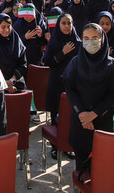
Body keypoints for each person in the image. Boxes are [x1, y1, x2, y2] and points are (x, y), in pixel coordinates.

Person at [63, 23, 114, 173]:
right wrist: (83, 114)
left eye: (95, 38)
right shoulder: (76, 62)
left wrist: (94, 113)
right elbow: (70, 89)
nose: (90, 42)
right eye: (86, 38)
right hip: (81, 122)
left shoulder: (112, 64)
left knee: (103, 169)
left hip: (103, 122)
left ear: (102, 39)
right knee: (82, 169)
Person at [42, 13, 80, 158]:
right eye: (63, 23)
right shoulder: (55, 41)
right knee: (56, 115)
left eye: (69, 23)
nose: (66, 26)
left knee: (71, 116)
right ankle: (55, 145)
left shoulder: (77, 41)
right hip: (57, 83)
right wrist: (62, 53)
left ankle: (68, 145)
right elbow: (48, 61)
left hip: (72, 84)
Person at [0, 13, 27, 94]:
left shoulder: (16, 41)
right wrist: (3, 83)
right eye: (3, 27)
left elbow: (23, 64)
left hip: (15, 85)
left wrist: (11, 81)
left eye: (9, 27)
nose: (6, 30)